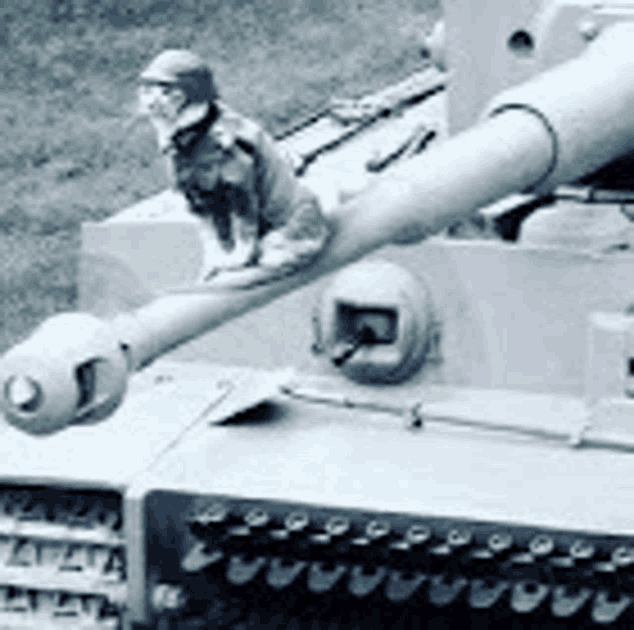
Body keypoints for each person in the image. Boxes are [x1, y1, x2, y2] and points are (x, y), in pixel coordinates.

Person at [137, 49, 330, 289]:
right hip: (242, 221)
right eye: (147, 91)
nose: (152, 101)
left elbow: (243, 201)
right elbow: (198, 201)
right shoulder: (184, 140)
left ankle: (245, 256)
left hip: (285, 227)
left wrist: (241, 253)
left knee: (271, 257)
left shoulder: (226, 142)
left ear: (191, 95)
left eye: (168, 93)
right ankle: (225, 253)